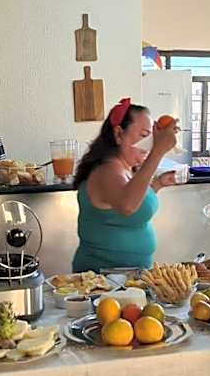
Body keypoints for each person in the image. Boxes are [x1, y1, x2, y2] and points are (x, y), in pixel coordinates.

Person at [71, 98, 179, 272]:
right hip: (102, 281)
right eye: (144, 136)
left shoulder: (126, 168)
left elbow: (134, 200)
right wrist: (158, 152)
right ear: (119, 134)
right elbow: (127, 205)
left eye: (151, 138)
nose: (149, 145)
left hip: (128, 280)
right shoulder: (107, 170)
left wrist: (157, 184)